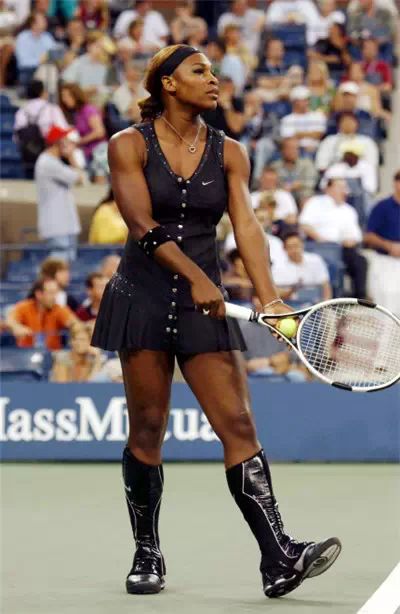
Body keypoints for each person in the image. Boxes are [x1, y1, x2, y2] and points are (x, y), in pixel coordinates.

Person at [91, 44, 341, 598]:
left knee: (239, 426)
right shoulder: (127, 144)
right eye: (199, 71)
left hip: (203, 304)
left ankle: (278, 557)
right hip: (143, 298)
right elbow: (139, 222)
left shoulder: (231, 152)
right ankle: (147, 551)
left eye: (214, 71)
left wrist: (269, 297)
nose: (213, 79)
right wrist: (196, 277)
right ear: (168, 84)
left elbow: (246, 225)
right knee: (148, 428)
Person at [299, 177, 367, 298]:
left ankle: (359, 298)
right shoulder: (315, 202)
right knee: (331, 263)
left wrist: (349, 241)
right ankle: (331, 298)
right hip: (318, 246)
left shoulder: (349, 210)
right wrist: (320, 238)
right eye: (340, 187)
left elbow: (356, 236)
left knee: (360, 261)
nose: (344, 190)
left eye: (345, 187)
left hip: (341, 248)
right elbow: (304, 225)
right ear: (328, 189)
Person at [34, 124, 83, 261]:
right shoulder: (47, 163)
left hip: (65, 224)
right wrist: (71, 156)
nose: (69, 143)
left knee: (67, 268)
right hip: (57, 226)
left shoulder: (53, 161)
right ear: (59, 142)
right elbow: (80, 178)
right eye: (66, 140)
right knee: (59, 267)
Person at [363, 170, 400, 313]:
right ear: (395, 183)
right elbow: (369, 236)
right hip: (385, 262)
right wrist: (389, 246)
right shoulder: (382, 207)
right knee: (387, 305)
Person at [6, 277, 77, 350]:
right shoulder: (24, 307)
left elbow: (75, 323)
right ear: (39, 294)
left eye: (56, 293)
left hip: (52, 353)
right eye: (51, 293)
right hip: (26, 353)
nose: (54, 297)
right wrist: (16, 327)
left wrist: (74, 327)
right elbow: (10, 320)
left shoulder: (58, 309)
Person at [59, 82, 107, 181]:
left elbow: (99, 131)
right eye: (63, 96)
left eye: (67, 96)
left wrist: (79, 141)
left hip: (99, 151)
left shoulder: (88, 110)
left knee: (99, 181)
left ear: (75, 95)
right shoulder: (76, 114)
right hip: (87, 153)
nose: (64, 99)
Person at [272, 231, 332, 301]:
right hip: (288, 304)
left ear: (302, 245)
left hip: (314, 303)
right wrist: (291, 291)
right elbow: (275, 293)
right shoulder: (277, 266)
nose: (294, 250)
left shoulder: (315, 260)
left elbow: (325, 286)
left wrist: (325, 303)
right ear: (284, 248)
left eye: (296, 245)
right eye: (290, 247)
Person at [280, 85, 327, 154]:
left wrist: (298, 134)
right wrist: (310, 134)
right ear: (294, 102)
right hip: (296, 150)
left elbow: (319, 134)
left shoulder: (318, 116)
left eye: (306, 99)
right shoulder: (287, 119)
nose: (305, 102)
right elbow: (288, 138)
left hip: (317, 149)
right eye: (301, 100)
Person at [15, 12, 56, 89]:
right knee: (46, 72)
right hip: (29, 70)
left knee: (50, 70)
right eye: (42, 21)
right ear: (33, 24)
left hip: (46, 67)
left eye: (45, 21)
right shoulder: (22, 37)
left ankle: (49, 94)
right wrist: (40, 61)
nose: (45, 23)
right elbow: (23, 62)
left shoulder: (47, 37)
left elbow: (54, 53)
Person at [272, 136, 318, 206]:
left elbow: (311, 182)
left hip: (301, 194)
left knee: (306, 195)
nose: (293, 151)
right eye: (289, 148)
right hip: (281, 194)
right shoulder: (274, 166)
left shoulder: (307, 164)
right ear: (282, 150)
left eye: (296, 148)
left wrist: (294, 186)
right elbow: (271, 184)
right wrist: (283, 189)